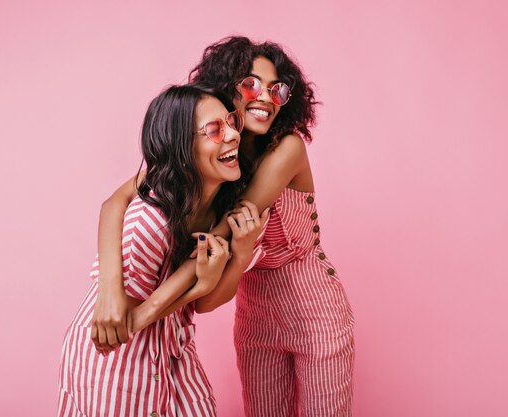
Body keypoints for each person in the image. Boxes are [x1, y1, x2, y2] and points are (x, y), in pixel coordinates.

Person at [95, 37, 354, 417]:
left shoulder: (288, 149)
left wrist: (141, 316)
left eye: (277, 89)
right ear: (226, 87)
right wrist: (109, 291)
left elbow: (222, 236)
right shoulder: (206, 153)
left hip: (316, 310)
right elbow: (114, 202)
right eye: (251, 84)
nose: (266, 97)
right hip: (255, 315)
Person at [57, 84, 268, 417]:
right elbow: (126, 321)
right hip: (116, 358)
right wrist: (195, 287)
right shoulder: (149, 222)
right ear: (182, 148)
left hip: (170, 345)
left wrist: (239, 255)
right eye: (214, 129)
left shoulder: (223, 204)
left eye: (230, 121)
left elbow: (206, 303)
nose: (232, 135)